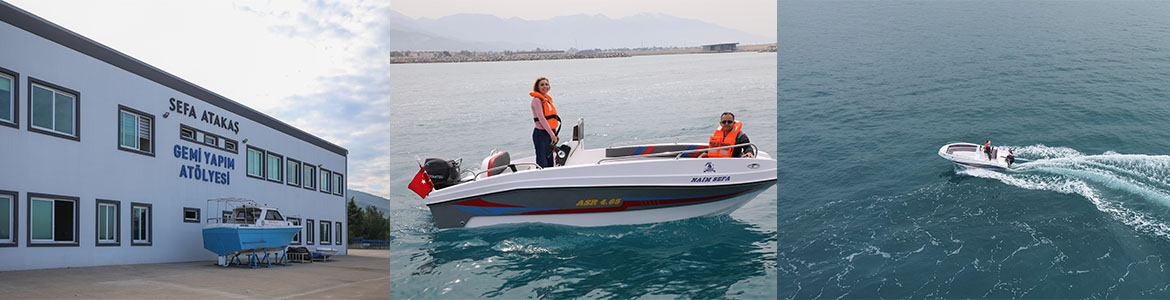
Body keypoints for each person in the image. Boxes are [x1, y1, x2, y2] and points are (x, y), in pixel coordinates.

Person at [530, 77, 560, 168]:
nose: (545, 86)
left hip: (549, 134)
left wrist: (554, 133)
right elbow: (542, 119)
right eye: (542, 85)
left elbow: (551, 119)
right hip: (540, 134)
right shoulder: (536, 100)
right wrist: (552, 135)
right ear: (537, 87)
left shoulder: (546, 100)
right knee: (542, 161)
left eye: (546, 84)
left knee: (550, 160)